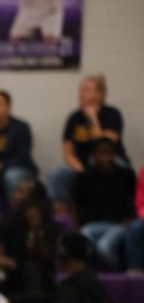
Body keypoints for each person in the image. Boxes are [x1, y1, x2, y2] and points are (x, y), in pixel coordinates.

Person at [49, 74, 131, 213]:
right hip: (81, 164)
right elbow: (67, 152)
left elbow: (104, 145)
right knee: (58, 173)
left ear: (99, 94)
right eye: (80, 90)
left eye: (86, 90)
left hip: (111, 162)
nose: (80, 94)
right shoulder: (74, 117)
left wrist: (93, 118)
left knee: (119, 169)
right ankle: (63, 217)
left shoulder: (112, 114)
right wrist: (81, 169)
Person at [0, 180, 59, 303]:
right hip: (12, 277)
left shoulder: (51, 226)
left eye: (22, 192)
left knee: (32, 269)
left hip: (43, 282)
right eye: (16, 191)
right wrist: (11, 263)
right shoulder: (6, 223)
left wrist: (36, 232)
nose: (16, 196)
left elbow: (52, 259)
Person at [72, 138, 136, 271]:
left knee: (104, 247)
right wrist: (77, 224)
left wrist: (130, 219)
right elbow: (77, 204)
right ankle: (91, 275)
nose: (104, 157)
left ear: (114, 155)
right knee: (85, 237)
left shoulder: (126, 175)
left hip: (118, 224)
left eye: (108, 153)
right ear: (94, 156)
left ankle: (115, 275)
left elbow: (133, 200)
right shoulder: (84, 177)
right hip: (91, 224)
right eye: (101, 153)